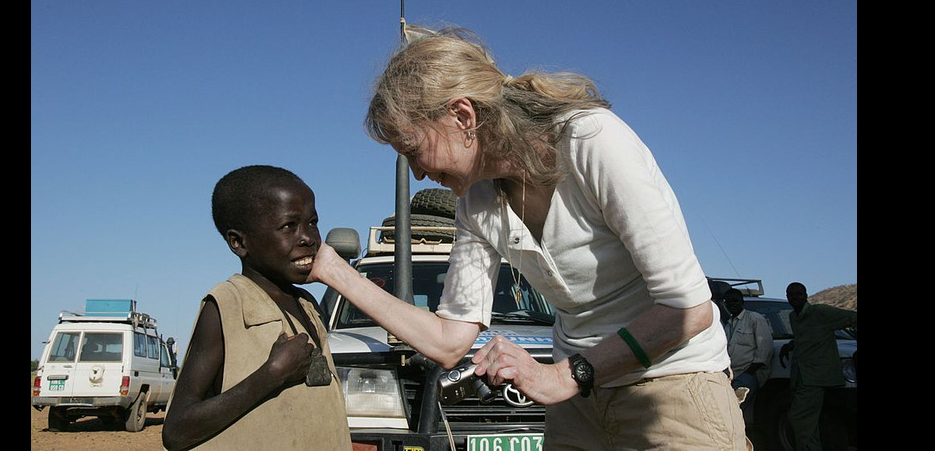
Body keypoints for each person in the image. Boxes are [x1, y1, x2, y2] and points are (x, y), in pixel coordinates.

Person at [311, 25, 749, 450]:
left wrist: (563, 376)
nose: (418, 172)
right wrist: (333, 270)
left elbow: (688, 309)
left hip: (672, 390)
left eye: (411, 149)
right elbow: (448, 342)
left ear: (462, 116)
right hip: (579, 407)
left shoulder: (591, 141)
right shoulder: (476, 203)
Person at [162, 165, 351, 451]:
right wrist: (272, 374)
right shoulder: (226, 306)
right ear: (239, 242)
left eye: (312, 222)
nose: (308, 238)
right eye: (289, 226)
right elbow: (176, 431)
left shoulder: (307, 304)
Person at [779, 282, 857, 451]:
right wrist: (791, 345)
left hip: (817, 377)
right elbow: (807, 338)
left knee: (798, 417)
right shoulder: (794, 317)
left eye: (799, 294)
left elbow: (853, 319)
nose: (795, 298)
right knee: (809, 422)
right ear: (787, 297)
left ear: (806, 295)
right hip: (800, 376)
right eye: (791, 294)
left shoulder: (820, 312)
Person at [723, 288, 774, 421]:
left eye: (735, 300)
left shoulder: (754, 318)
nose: (732, 304)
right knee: (737, 412)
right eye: (728, 301)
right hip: (732, 374)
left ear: (742, 302)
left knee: (734, 408)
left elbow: (765, 347)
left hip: (749, 373)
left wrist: (750, 372)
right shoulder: (728, 325)